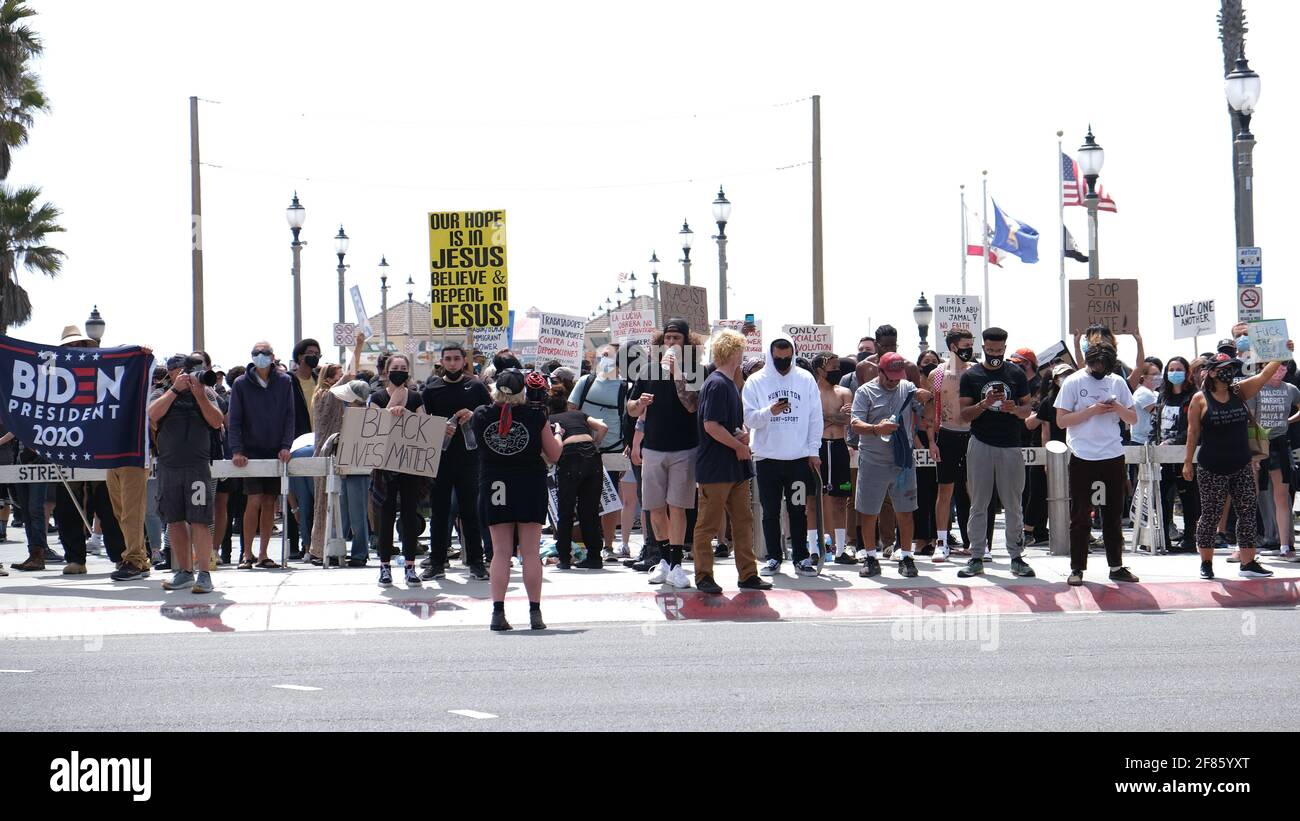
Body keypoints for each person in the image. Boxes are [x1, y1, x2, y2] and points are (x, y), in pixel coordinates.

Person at [474, 370, 563, 631]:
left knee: (500, 553)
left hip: (494, 485)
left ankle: (497, 612)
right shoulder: (536, 416)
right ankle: (535, 611)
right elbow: (554, 454)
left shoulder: (481, 415)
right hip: (529, 484)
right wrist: (558, 434)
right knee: (531, 552)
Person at [1184, 352, 1282, 580]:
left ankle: (1248, 563)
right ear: (1211, 372)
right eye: (1223, 368)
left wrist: (1281, 353)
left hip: (1241, 465)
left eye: (1231, 367)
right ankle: (1206, 563)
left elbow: (1265, 374)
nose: (1228, 372)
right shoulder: (1200, 399)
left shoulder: (1239, 391)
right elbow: (1193, 432)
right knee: (1210, 515)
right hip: (1211, 467)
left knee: (1247, 513)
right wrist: (1188, 462)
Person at [691, 329, 773, 594]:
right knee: (708, 525)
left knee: (743, 521)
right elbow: (711, 426)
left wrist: (742, 436)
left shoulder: (726, 383)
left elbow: (721, 425)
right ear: (734, 352)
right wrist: (739, 445)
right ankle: (704, 575)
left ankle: (748, 574)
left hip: (734, 467)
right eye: (741, 349)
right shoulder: (717, 384)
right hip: (716, 468)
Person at [1053, 342, 1142, 586]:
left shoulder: (1117, 382)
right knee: (1081, 515)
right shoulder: (1073, 382)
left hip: (1112, 454)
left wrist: (1117, 407)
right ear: (1088, 362)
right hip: (1083, 455)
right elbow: (1061, 421)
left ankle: (1116, 566)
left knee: (1113, 514)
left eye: (1104, 365)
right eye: (1095, 365)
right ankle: (1077, 568)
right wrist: (1091, 411)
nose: (1099, 369)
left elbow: (1133, 418)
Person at [626, 318, 703, 587]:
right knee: (655, 508)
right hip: (654, 448)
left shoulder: (695, 370)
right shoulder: (647, 370)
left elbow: (693, 406)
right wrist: (639, 402)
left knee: (678, 507)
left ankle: (678, 564)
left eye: (676, 338)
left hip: (684, 448)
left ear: (686, 342)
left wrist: (677, 372)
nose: (671, 343)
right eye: (667, 338)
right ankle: (664, 560)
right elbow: (632, 409)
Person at [956, 327, 1037, 579]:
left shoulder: (1015, 373)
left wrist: (1014, 408)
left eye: (998, 350)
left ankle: (1016, 556)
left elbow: (1027, 410)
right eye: (990, 350)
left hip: (1011, 445)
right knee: (978, 503)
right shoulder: (972, 375)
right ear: (983, 348)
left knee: (1014, 503)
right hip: (980, 442)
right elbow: (963, 415)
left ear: (1004, 348)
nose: (994, 354)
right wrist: (985, 403)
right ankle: (976, 556)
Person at [742, 334, 823, 577]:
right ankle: (774, 557)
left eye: (788, 358)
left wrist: (813, 450)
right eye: (779, 359)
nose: (784, 363)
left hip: (798, 459)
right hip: (767, 458)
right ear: (770, 355)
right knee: (770, 511)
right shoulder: (756, 381)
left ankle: (800, 557)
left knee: (798, 509)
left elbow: (815, 417)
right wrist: (770, 411)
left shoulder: (805, 378)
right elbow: (749, 419)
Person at [148, 354, 225, 593]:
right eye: (180, 370)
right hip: (169, 467)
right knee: (174, 520)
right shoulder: (161, 392)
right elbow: (152, 415)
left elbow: (216, 421)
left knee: (200, 520)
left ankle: (204, 574)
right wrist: (175, 390)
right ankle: (184, 572)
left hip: (197, 467)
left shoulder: (207, 393)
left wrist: (199, 394)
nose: (186, 375)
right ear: (171, 372)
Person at [850, 353, 932, 578]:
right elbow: (855, 423)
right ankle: (869, 556)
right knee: (868, 512)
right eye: (890, 377)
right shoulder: (864, 392)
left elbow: (925, 405)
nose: (894, 382)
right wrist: (877, 429)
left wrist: (926, 396)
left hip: (902, 460)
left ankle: (906, 556)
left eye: (898, 377)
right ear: (880, 371)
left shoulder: (906, 387)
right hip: (872, 461)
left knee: (906, 511)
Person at [422, 343, 492, 580]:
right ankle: (437, 561)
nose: (452, 363)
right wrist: (439, 428)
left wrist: (474, 415)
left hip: (470, 459)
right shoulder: (431, 389)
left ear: (464, 361)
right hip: (440, 459)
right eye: (447, 359)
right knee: (439, 512)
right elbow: (423, 424)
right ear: (441, 362)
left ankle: (476, 562)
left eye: (456, 359)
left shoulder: (476, 387)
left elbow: (490, 415)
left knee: (470, 512)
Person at [228, 341, 296, 569]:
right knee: (254, 499)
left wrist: (286, 445)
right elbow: (234, 419)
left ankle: (264, 554)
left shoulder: (285, 381)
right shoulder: (240, 384)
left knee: (269, 501)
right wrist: (237, 450)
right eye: (256, 353)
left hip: (276, 450)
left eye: (264, 353)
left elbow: (289, 416)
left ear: (273, 356)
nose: (260, 356)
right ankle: (246, 554)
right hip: (251, 451)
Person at [368, 354, 427, 587]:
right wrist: (389, 412)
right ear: (386, 370)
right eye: (395, 367)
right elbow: (370, 426)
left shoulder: (415, 397)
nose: (399, 371)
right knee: (386, 516)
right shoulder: (378, 396)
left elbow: (423, 426)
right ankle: (385, 567)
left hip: (409, 464)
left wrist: (409, 417)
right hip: (384, 464)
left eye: (403, 367)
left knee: (410, 516)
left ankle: (410, 566)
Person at [569, 343, 631, 559]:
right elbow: (571, 410)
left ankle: (609, 545)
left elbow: (630, 420)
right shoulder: (586, 381)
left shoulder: (625, 387)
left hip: (615, 449)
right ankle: (586, 541)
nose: (603, 359)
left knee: (612, 497)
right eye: (601, 355)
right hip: (584, 449)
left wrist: (628, 448)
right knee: (583, 498)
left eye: (608, 355)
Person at [547, 383, 608, 570]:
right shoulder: (579, 414)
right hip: (592, 456)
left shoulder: (549, 419)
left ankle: (564, 558)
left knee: (566, 511)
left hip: (570, 457)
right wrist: (595, 443)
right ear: (566, 404)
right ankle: (595, 556)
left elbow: (550, 451)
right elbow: (603, 427)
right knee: (589, 511)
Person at [930, 329, 976, 562]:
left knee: (974, 489)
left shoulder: (977, 370)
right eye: (966, 344)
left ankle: (976, 542)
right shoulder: (938, 373)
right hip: (947, 434)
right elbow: (931, 409)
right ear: (953, 346)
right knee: (944, 489)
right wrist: (931, 441)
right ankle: (941, 541)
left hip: (972, 435)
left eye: (971, 343)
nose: (970, 348)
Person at [1249, 364, 1300, 560]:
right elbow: (1251, 420)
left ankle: (1285, 546)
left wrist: (1288, 421)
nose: (1281, 370)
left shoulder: (1291, 389)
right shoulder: (1257, 387)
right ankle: (1246, 545)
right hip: (1259, 443)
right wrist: (1254, 454)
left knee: (1282, 497)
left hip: (1280, 444)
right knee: (1250, 497)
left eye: (1284, 367)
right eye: (1276, 367)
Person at [812, 353, 856, 564]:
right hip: (818, 446)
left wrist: (827, 417)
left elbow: (848, 420)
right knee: (816, 498)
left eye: (838, 366)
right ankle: (816, 546)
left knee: (840, 498)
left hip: (839, 446)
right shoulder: (812, 391)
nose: (837, 370)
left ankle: (840, 549)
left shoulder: (844, 392)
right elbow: (814, 419)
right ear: (820, 369)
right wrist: (834, 417)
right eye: (833, 366)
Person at [1153, 357, 1198, 552]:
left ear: (1186, 372)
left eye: (1179, 369)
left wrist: (1172, 442)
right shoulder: (1162, 396)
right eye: (1171, 369)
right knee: (1162, 497)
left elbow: (1193, 427)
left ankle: (1189, 537)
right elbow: (1155, 422)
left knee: (1188, 498)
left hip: (1184, 454)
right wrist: (1152, 442)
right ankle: (1164, 538)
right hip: (1162, 456)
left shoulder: (1194, 396)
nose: (1174, 372)